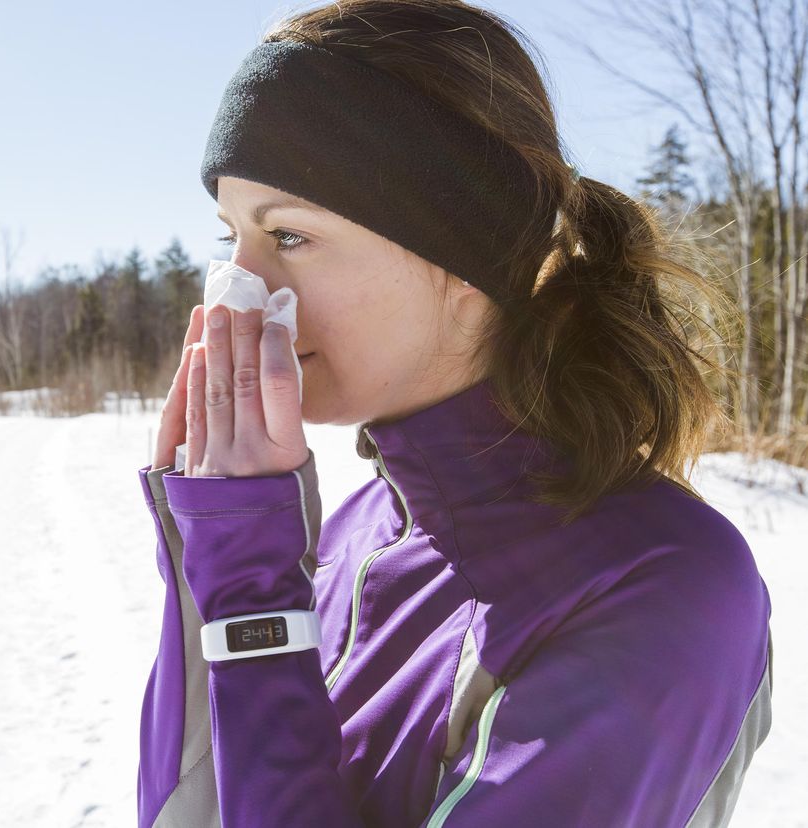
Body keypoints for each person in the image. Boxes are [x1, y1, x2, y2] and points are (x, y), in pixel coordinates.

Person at [135, 2, 773, 826]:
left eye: (288, 236)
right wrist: (210, 565)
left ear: (465, 251)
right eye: (230, 239)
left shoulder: (665, 587)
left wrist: (252, 596)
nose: (236, 293)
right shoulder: (354, 535)